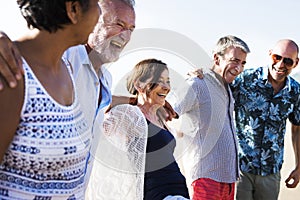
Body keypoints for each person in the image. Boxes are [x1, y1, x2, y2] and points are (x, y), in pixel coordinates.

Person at [0, 0, 100, 199]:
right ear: (73, 9)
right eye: (97, 3)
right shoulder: (12, 74)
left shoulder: (67, 69)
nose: (100, 14)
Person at [168, 35, 250, 200]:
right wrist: (179, 134)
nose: (239, 68)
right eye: (234, 60)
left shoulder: (227, 88)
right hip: (205, 179)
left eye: (243, 63)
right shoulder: (197, 83)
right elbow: (167, 110)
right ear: (217, 58)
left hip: (228, 179)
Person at [231, 39, 300, 200]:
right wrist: (201, 75)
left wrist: (299, 167)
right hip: (240, 169)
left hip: (271, 172)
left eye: (288, 61)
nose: (281, 64)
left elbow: (297, 129)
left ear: (295, 63)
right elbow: (217, 92)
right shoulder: (245, 80)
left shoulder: (296, 92)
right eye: (277, 57)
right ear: (270, 54)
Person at [126, 58, 190, 200]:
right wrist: (133, 100)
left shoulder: (160, 117)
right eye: (159, 80)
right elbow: (102, 98)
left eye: (167, 81)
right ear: (139, 84)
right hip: (158, 194)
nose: (166, 86)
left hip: (180, 192)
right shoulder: (130, 115)